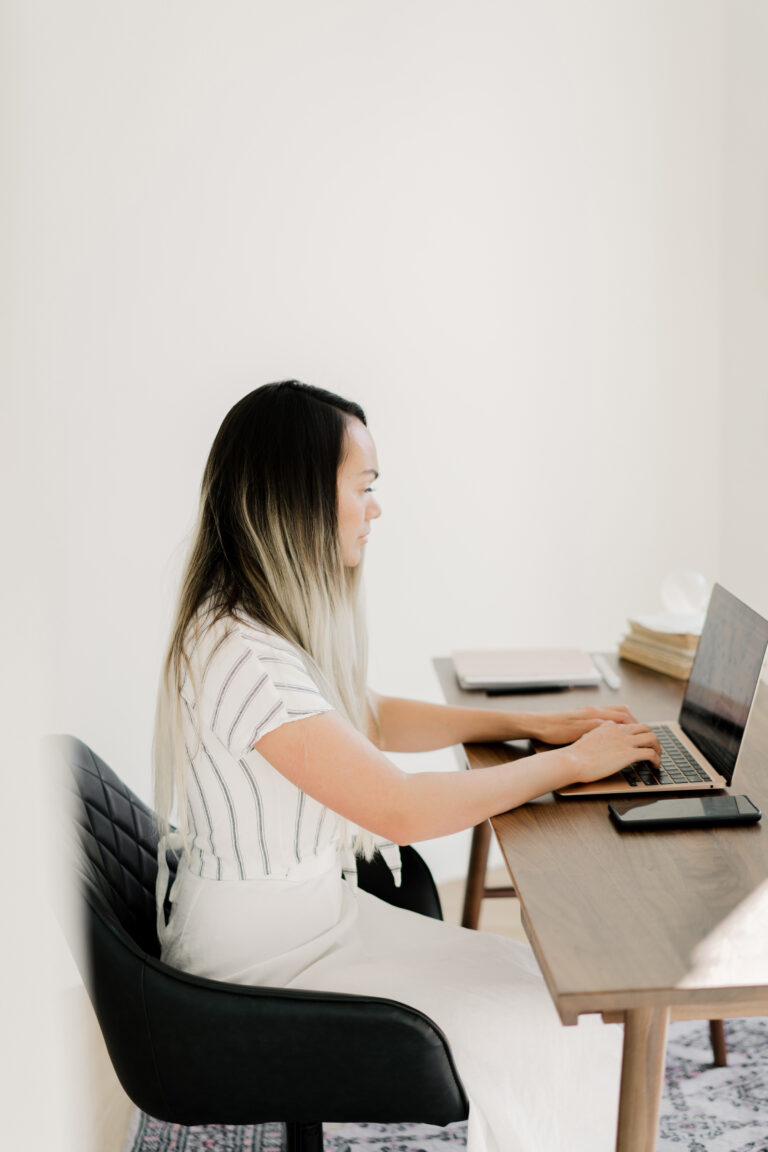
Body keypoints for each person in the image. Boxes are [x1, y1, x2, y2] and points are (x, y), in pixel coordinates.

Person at [153, 380, 661, 1152]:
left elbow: (367, 715)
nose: (376, 509)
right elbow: (397, 809)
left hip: (305, 923)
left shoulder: (244, 621)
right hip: (265, 961)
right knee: (559, 1017)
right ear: (299, 497)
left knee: (555, 995)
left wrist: (525, 723)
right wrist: (568, 765)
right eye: (365, 488)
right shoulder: (244, 657)